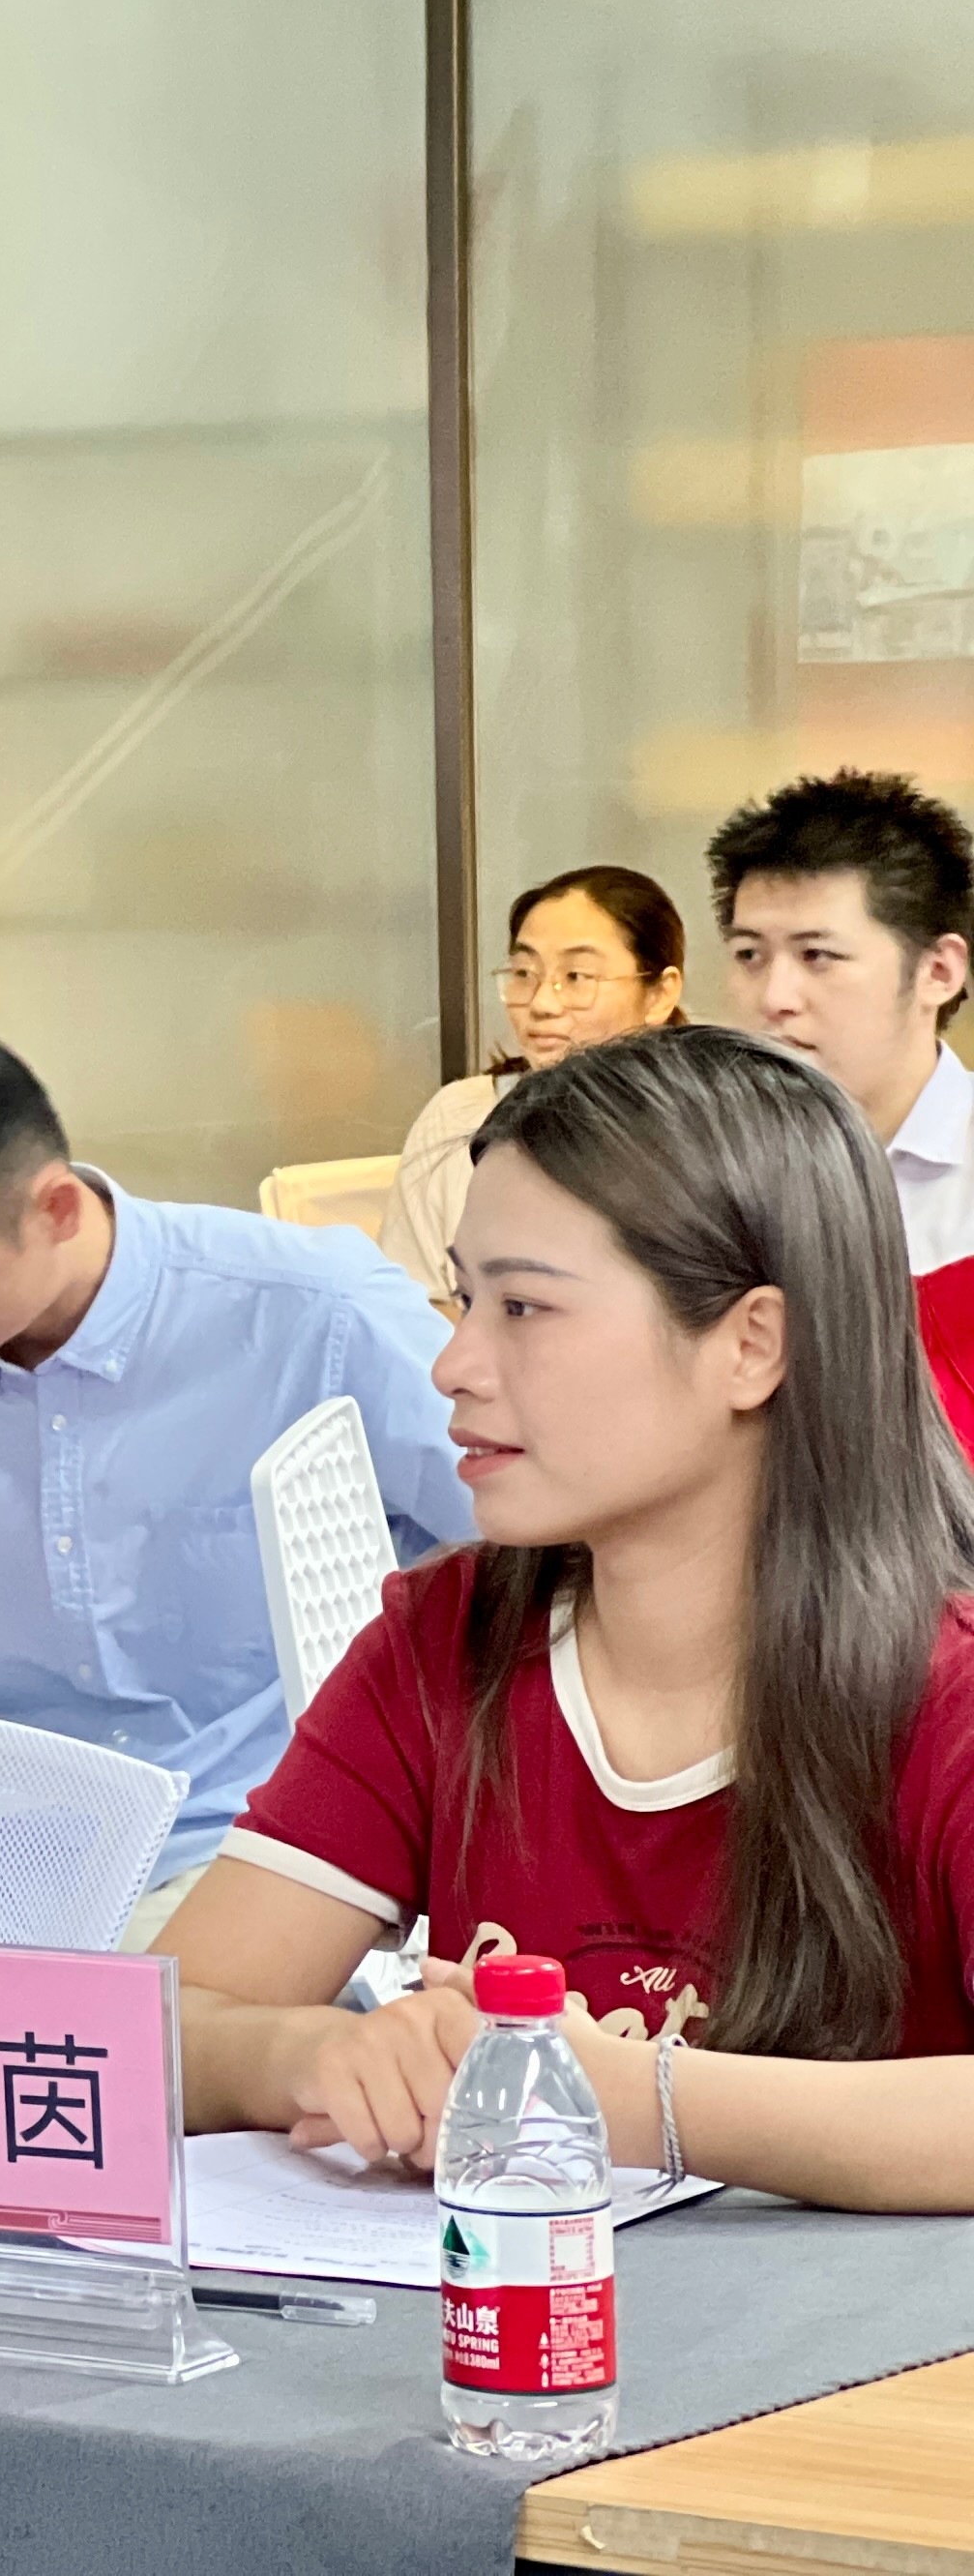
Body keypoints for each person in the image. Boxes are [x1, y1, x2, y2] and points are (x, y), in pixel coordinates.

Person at [168, 1024, 974, 2212]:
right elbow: (153, 2027)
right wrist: (317, 2053)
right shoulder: (445, 1641)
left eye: (524, 1307)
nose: (454, 1364)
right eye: (463, 1298)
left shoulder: (948, 1691)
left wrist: (627, 2097)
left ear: (752, 1344)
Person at [0, 999, 472, 1935]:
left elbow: (518, 1541)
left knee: (149, 2011)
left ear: (55, 1209)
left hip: (261, 1830)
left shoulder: (315, 1312)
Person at [708, 770, 974, 1276]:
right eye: (749, 954)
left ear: (938, 972)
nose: (775, 998)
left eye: (817, 955)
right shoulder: (698, 1166)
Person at [378, 867, 687, 1302]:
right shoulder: (462, 1115)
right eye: (524, 973)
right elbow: (409, 1303)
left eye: (577, 977)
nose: (541, 1003)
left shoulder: (708, 1133)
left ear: (659, 994)